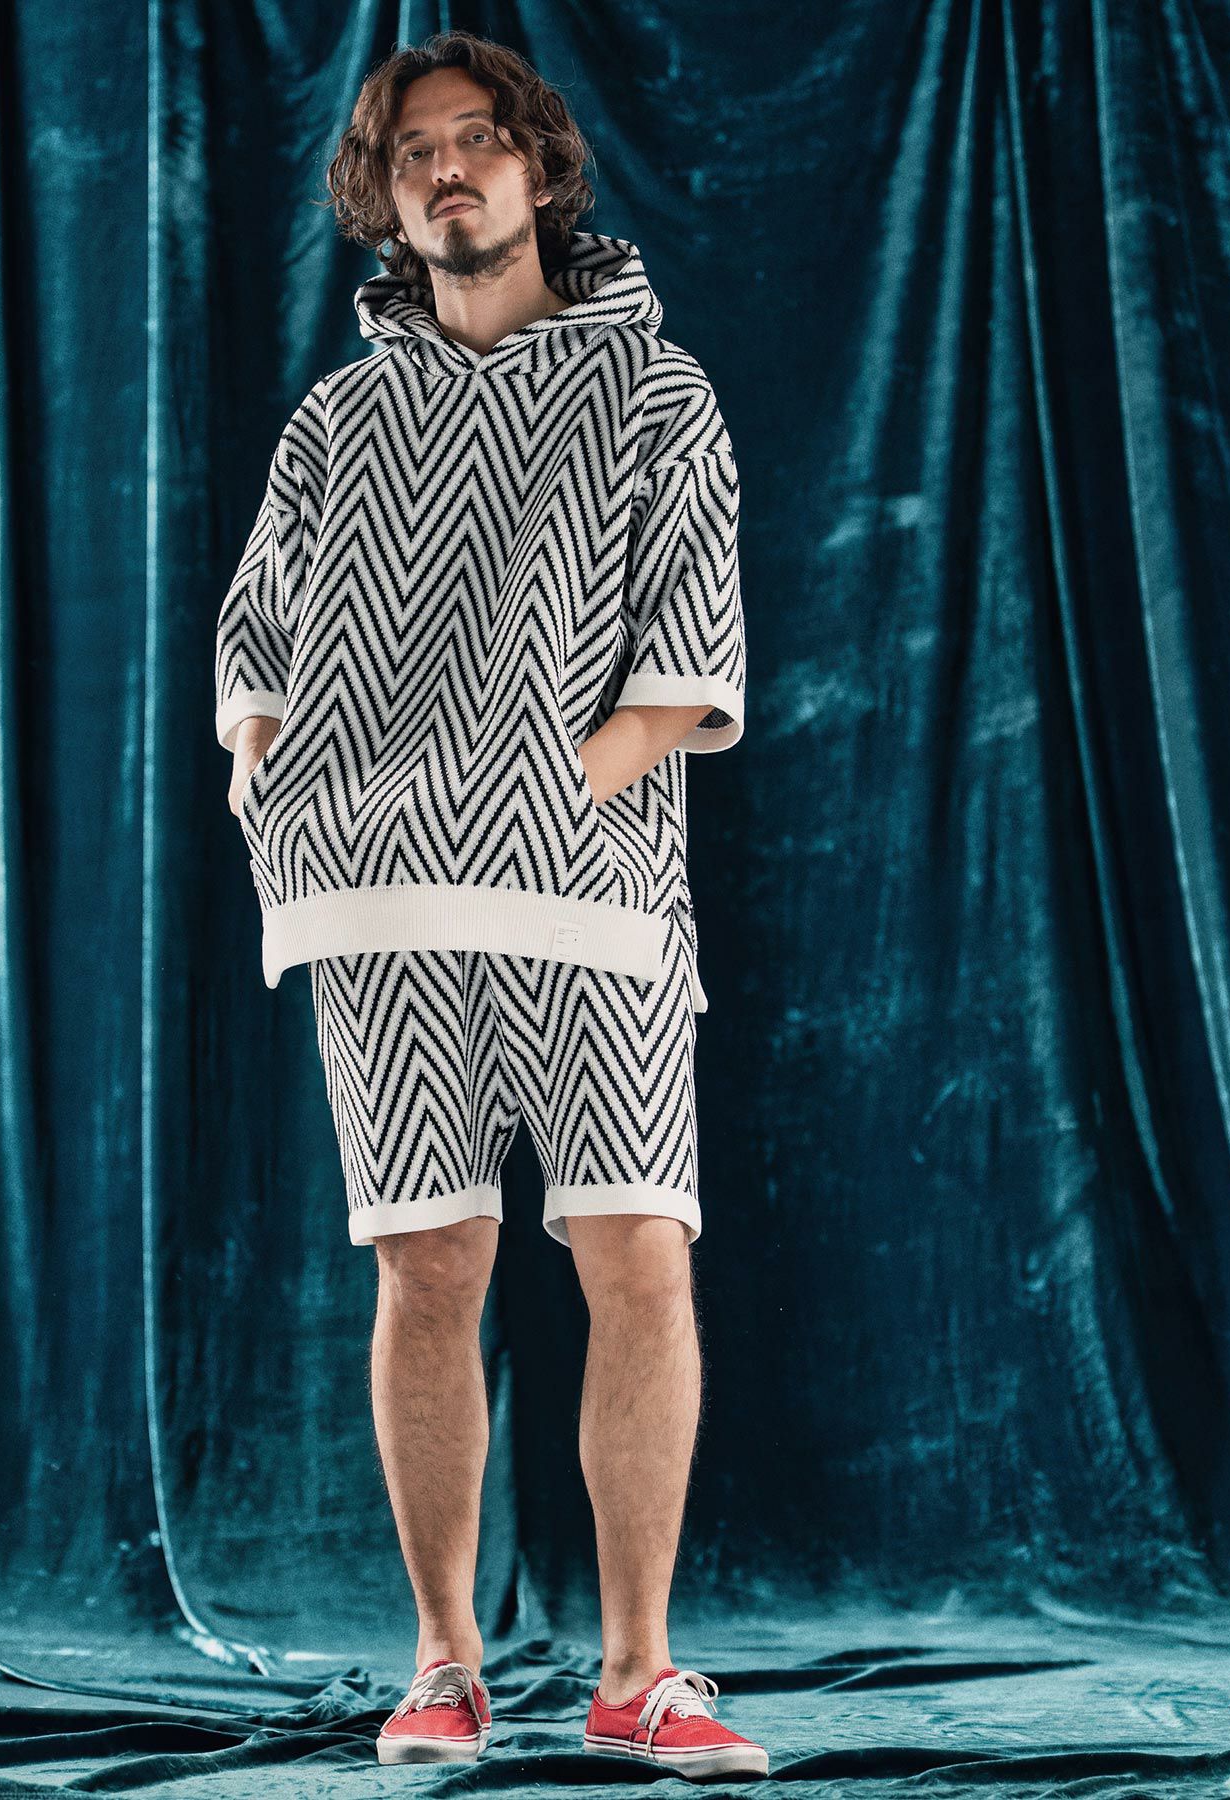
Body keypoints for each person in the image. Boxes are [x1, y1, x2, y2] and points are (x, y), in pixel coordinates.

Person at [213, 29, 763, 1782]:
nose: (447, 171)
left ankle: (638, 1674)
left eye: (478, 140)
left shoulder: (656, 392)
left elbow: (689, 660)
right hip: (378, 911)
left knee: (639, 1256)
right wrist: (271, 776)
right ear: (381, 197)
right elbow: (256, 641)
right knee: (428, 1263)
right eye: (412, 153)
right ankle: (445, 1664)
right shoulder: (337, 419)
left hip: (588, 898)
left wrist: (549, 787)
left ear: (539, 167)